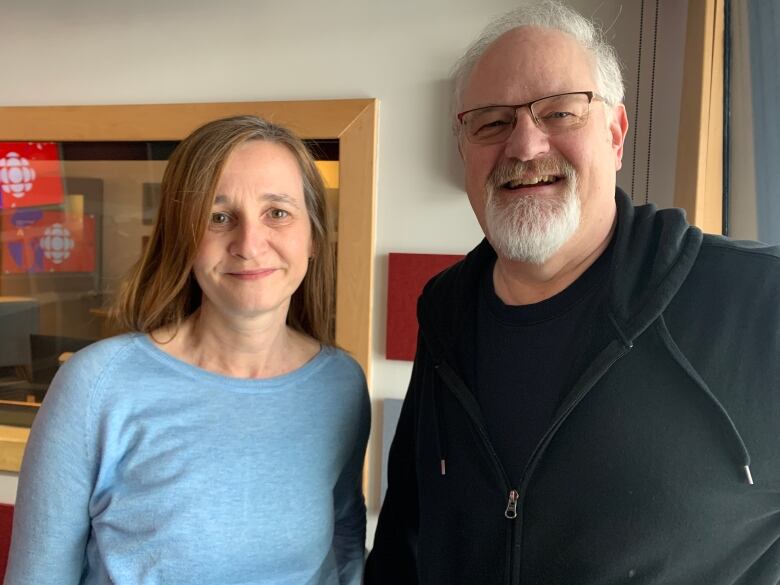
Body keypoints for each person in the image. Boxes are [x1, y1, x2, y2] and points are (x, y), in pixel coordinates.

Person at [366, 1, 780, 584]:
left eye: (560, 113)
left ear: (615, 134)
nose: (526, 146)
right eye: (491, 122)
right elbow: (406, 536)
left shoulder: (758, 301)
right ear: (464, 148)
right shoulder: (445, 311)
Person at [6, 115, 370, 585]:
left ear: (314, 235)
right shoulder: (97, 384)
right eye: (218, 217)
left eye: (277, 212)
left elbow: (344, 544)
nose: (249, 244)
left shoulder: (340, 383)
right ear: (184, 236)